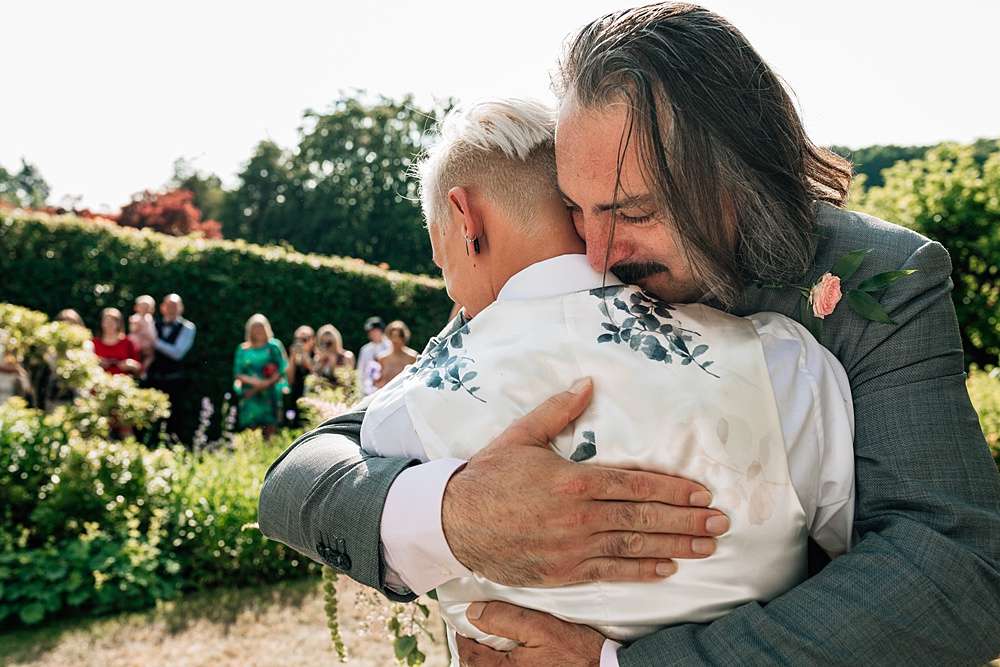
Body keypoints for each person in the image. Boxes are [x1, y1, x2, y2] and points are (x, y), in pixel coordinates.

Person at [258, 4, 1000, 666]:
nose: (594, 255)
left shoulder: (882, 277)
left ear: (740, 178)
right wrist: (453, 514)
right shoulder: (552, 277)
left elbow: (957, 570)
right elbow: (308, 472)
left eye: (633, 211)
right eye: (576, 209)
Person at [356, 98, 854, 661]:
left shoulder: (402, 419)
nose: (447, 282)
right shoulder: (784, 364)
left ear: (465, 219)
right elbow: (865, 576)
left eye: (437, 249)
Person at [144, 293, 196, 440]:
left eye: (175, 306)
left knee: (175, 418)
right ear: (162, 308)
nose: (172, 309)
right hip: (153, 379)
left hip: (175, 380)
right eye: (169, 305)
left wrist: (155, 342)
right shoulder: (153, 325)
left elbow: (177, 353)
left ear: (181, 308)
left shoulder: (188, 327)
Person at [233, 314, 289, 439]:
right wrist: (256, 383)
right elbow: (238, 373)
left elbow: (282, 367)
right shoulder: (242, 349)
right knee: (251, 430)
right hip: (250, 394)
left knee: (271, 427)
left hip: (270, 393)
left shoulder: (274, 346)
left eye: (261, 327)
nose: (258, 331)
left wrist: (266, 383)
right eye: (255, 328)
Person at [92, 308, 141, 377]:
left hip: (123, 382)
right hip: (98, 381)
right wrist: (96, 362)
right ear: (101, 323)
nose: (110, 324)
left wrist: (131, 364)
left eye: (113, 321)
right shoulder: (93, 343)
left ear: (119, 324)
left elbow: (139, 369)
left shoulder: (128, 342)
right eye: (107, 321)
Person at [372, 320, 417, 390]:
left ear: (404, 338)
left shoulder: (413, 357)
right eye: (393, 337)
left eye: (398, 337)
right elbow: (377, 381)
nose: (395, 340)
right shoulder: (382, 358)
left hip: (406, 394)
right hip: (387, 394)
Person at [285, 325, 316, 425]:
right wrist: (292, 357)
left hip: (312, 397)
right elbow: (289, 380)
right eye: (298, 339)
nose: (301, 342)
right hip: (296, 397)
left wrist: (305, 355)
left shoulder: (317, 355)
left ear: (313, 340)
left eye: (304, 339)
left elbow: (315, 374)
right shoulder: (294, 357)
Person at [314, 324, 356, 388]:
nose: (326, 346)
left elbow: (347, 379)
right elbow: (315, 379)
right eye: (323, 343)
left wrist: (333, 362)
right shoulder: (319, 359)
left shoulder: (346, 356)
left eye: (329, 343)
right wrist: (321, 362)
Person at [356, 316, 390, 396]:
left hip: (387, 389)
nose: (372, 334)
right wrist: (360, 390)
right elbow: (361, 371)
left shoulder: (390, 347)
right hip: (369, 391)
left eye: (375, 331)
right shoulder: (365, 349)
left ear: (381, 331)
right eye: (370, 332)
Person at [128, 295, 158, 377]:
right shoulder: (135, 318)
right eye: (142, 307)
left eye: (147, 307)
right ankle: (137, 371)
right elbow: (133, 330)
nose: (144, 309)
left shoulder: (149, 318)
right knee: (136, 356)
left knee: (150, 357)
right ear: (136, 307)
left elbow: (152, 331)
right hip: (137, 341)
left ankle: (143, 370)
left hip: (147, 342)